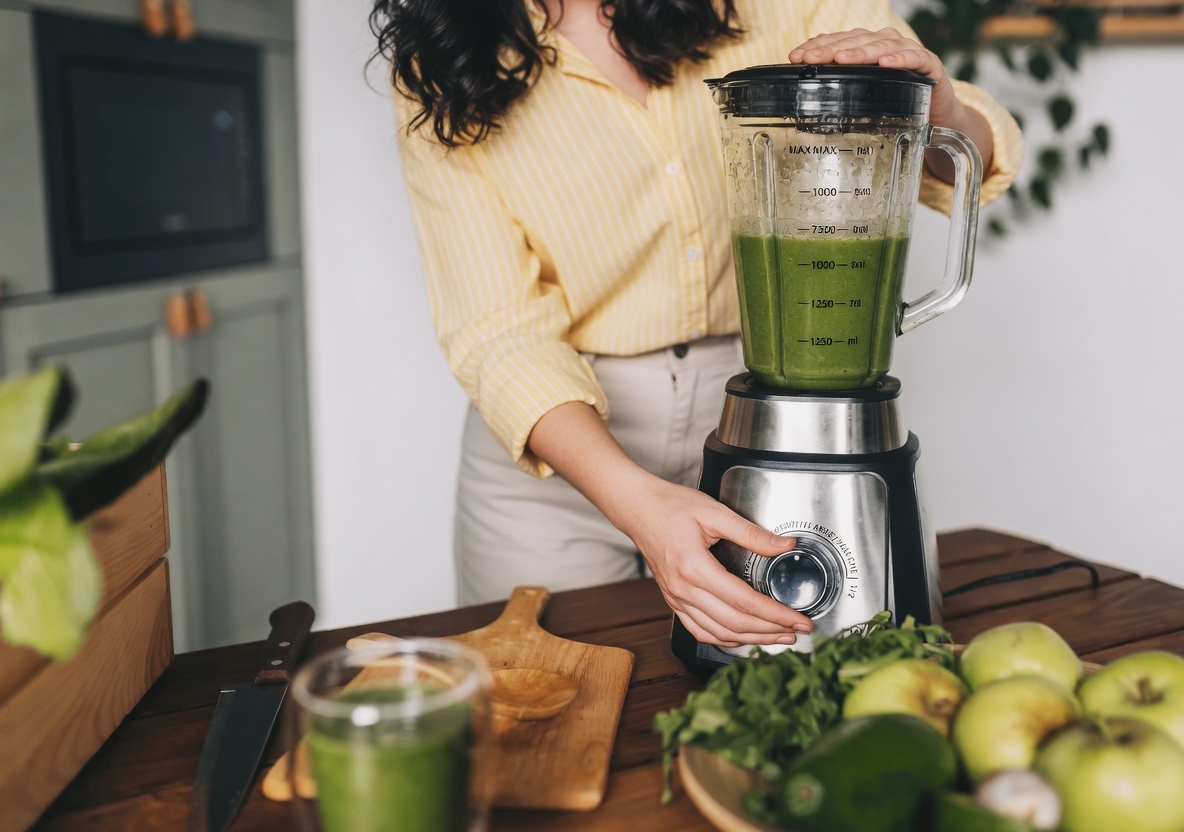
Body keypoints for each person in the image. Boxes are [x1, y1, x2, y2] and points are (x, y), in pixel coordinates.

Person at [371, 0, 1022, 649]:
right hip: (558, 460)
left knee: (778, 687)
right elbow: (499, 330)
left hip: (760, 411)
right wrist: (638, 503)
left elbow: (950, 154)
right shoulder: (443, 56)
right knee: (546, 703)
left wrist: (943, 112)